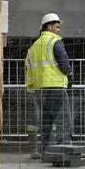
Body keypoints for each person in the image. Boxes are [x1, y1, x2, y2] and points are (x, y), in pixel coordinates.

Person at [24, 12, 73, 159]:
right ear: (50, 27)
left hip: (40, 89)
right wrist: (70, 76)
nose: (59, 30)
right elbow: (63, 62)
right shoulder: (54, 41)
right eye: (57, 27)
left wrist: (31, 86)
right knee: (63, 120)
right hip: (56, 86)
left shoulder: (34, 46)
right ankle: (63, 152)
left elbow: (28, 68)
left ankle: (46, 152)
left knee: (46, 122)